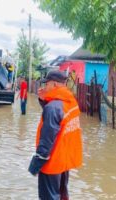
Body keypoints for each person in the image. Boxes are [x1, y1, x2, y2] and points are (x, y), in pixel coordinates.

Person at [28, 70, 83, 200]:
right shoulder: (70, 102)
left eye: (46, 84)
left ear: (54, 84)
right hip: (64, 160)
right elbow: (59, 120)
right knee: (61, 194)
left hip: (52, 162)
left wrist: (36, 165)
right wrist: (45, 101)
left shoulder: (52, 107)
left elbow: (47, 140)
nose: (44, 87)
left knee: (49, 197)